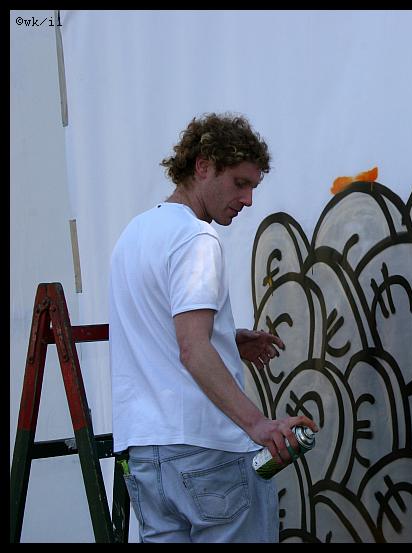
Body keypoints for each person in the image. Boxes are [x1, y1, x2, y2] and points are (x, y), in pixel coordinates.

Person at [108, 112, 317, 543]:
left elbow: (159, 335)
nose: (248, 200)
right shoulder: (197, 239)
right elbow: (192, 349)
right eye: (240, 183)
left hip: (145, 454)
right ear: (203, 166)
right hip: (207, 451)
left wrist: (227, 339)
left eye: (253, 186)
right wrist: (258, 425)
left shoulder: (133, 235)